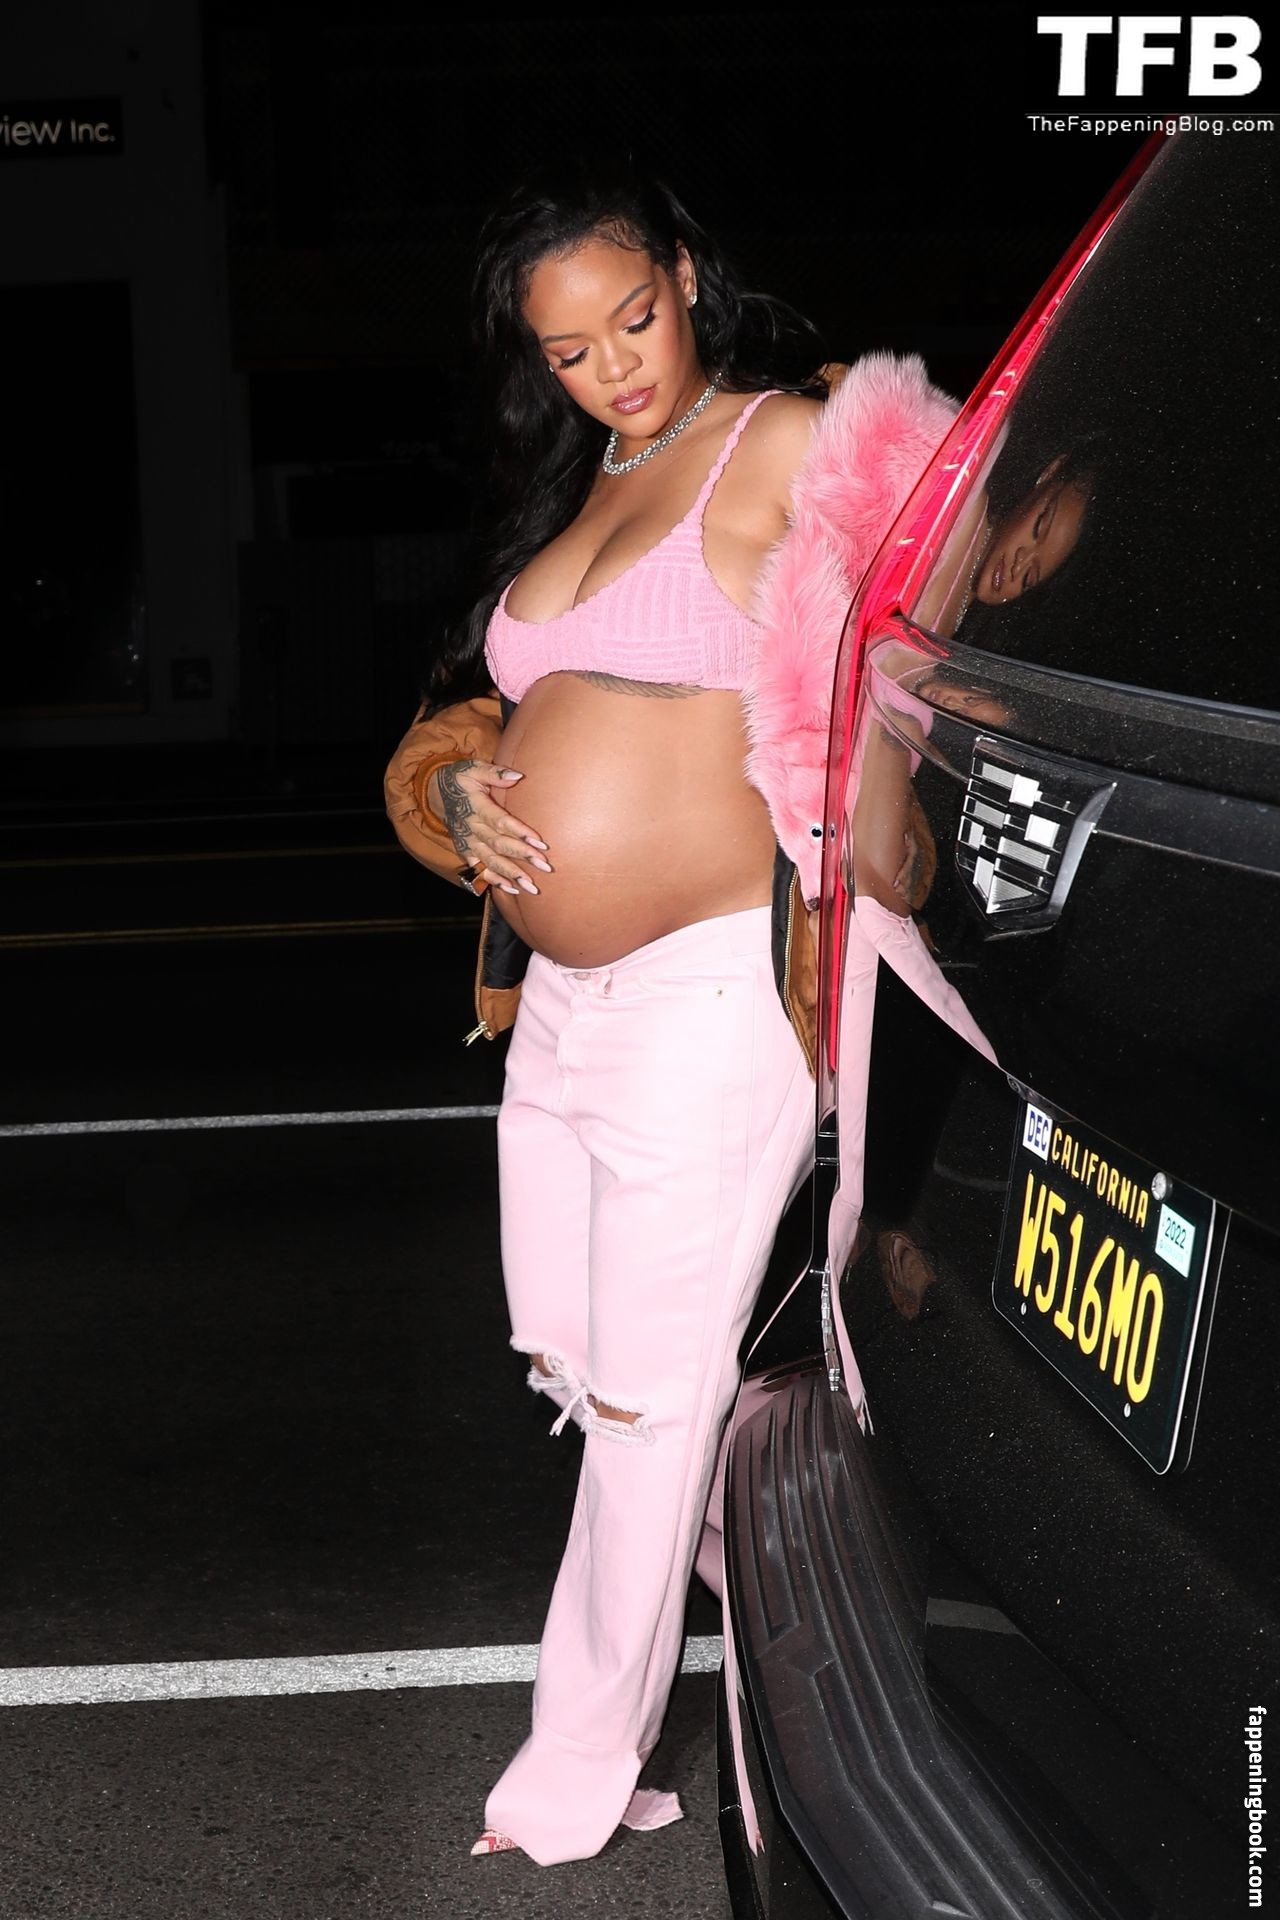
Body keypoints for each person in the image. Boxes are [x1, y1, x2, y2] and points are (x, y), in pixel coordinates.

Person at [384, 162, 955, 1866]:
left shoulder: (791, 440)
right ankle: (788, 1575)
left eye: (633, 320)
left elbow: (978, 572)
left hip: (714, 991)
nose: (612, 369)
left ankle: (575, 1771)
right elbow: (477, 709)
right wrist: (459, 782)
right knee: (580, 1352)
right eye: (569, 351)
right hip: (558, 1003)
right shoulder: (577, 486)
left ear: (690, 277)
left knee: (641, 1407)